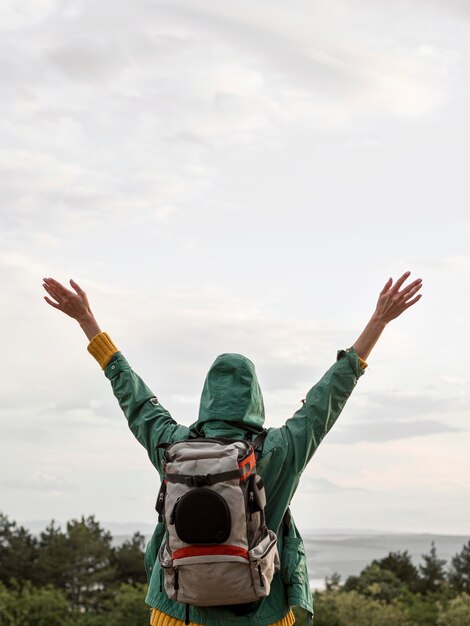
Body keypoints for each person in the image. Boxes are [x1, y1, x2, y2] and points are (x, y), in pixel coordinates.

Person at [43, 272, 422, 626]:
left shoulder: (173, 445)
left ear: (206, 396)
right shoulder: (279, 448)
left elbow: (134, 396)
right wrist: (378, 322)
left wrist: (87, 322)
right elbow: (328, 396)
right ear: (256, 398)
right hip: (262, 611)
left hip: (178, 611)